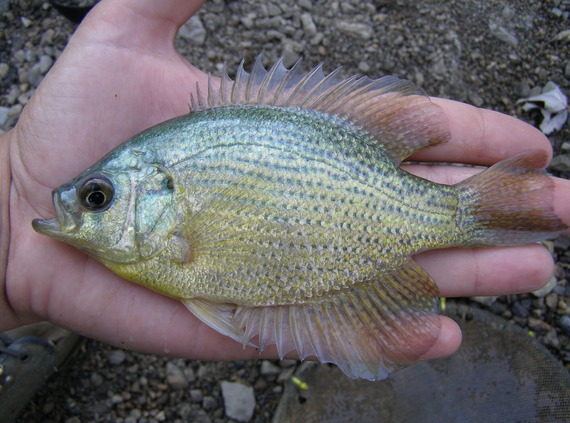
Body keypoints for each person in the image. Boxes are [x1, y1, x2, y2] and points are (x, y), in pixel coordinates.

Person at [0, 0, 569, 364]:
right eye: (96, 198)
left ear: (161, 192)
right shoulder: (140, 245)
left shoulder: (151, 242)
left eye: (99, 197)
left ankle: (477, 211)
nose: (84, 205)